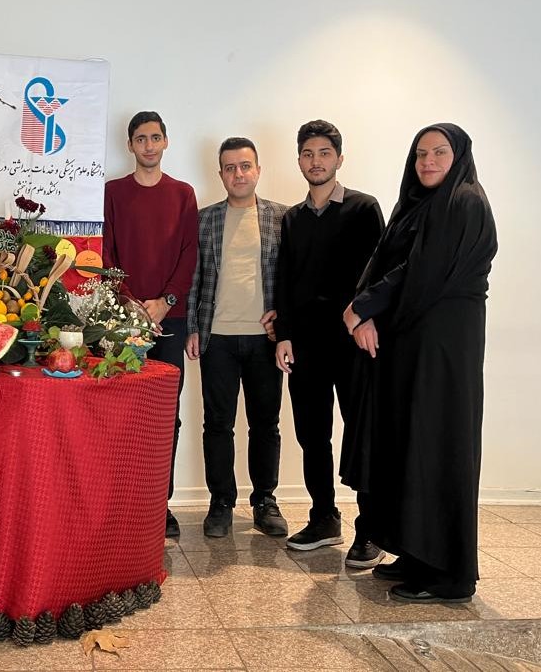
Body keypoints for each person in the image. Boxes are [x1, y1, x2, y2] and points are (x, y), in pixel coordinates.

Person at [342, 123, 497, 603]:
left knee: (437, 444)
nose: (427, 161)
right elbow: (384, 261)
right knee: (411, 445)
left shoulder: (464, 202)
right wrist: (365, 309)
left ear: (459, 156)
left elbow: (422, 270)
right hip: (413, 343)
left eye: (439, 153)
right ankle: (415, 553)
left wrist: (362, 306)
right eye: (420, 153)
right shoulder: (420, 204)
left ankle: (448, 573)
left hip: (443, 350)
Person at [273, 120, 385, 567]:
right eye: (307, 154)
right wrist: (284, 334)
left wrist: (369, 317)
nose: (315, 161)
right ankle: (324, 517)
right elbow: (284, 278)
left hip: (353, 342)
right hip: (306, 345)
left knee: (361, 433)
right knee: (312, 434)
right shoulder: (292, 218)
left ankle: (370, 528)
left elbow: (380, 271)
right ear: (299, 160)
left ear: (339, 158)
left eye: (323, 153)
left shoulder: (363, 208)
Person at [186, 137, 289, 538]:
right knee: (217, 424)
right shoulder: (205, 219)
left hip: (265, 340)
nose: (238, 174)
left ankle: (265, 500)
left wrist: (286, 323)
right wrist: (193, 327)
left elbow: (291, 277)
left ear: (258, 170)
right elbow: (194, 278)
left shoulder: (281, 217)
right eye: (230, 168)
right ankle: (221, 502)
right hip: (218, 339)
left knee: (266, 424)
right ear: (221, 174)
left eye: (245, 166)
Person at [103, 111, 198, 539]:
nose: (148, 145)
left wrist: (165, 302)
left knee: (165, 415)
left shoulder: (183, 194)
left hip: (170, 320)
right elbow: (106, 254)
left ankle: (161, 504)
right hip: (120, 320)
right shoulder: (112, 193)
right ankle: (121, 503)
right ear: (130, 145)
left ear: (165, 142)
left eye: (155, 137)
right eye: (140, 138)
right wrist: (128, 303)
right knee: (120, 412)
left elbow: (189, 254)